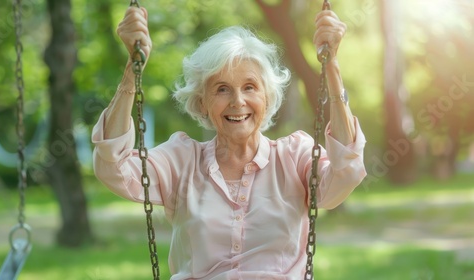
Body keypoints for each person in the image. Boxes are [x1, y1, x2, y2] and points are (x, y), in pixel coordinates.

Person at [92, 5, 366, 280]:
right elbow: (112, 167)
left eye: (249, 87)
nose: (237, 101)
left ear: (267, 98)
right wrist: (132, 68)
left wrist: (331, 66)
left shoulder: (294, 157)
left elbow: (345, 174)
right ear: (202, 102)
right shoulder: (181, 161)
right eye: (222, 89)